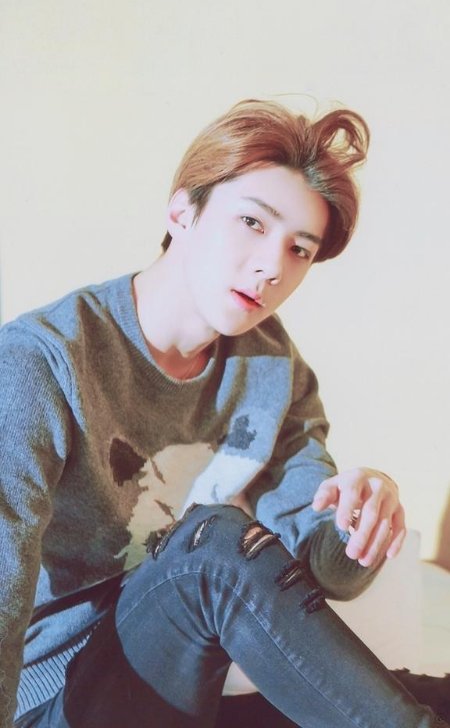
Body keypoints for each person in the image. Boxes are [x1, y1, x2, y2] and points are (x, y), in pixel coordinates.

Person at [0, 99, 447, 728]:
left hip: (187, 685)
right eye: (252, 223)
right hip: (55, 702)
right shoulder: (41, 360)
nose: (272, 267)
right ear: (182, 212)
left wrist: (359, 520)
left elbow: (325, 571)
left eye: (299, 249)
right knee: (211, 547)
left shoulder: (272, 366)